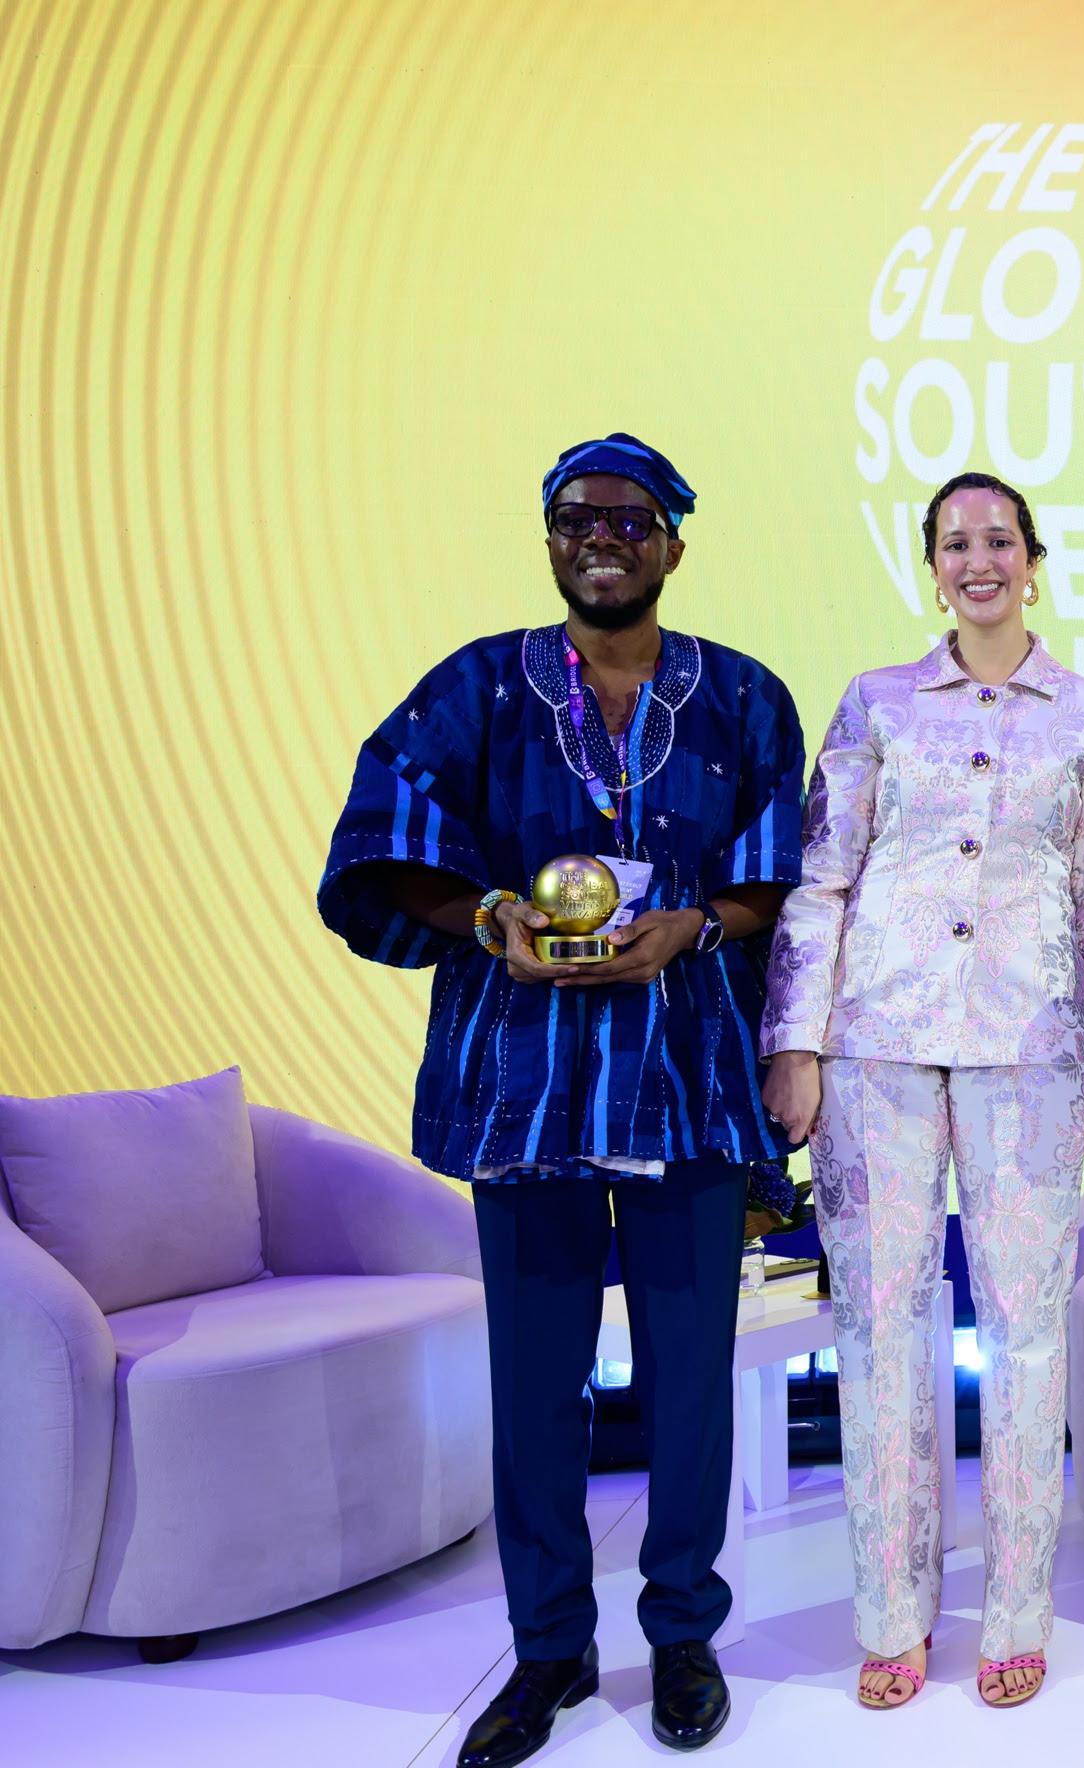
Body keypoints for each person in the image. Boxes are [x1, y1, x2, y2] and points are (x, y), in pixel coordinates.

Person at [317, 434, 803, 1763]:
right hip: (523, 1093)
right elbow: (382, 847)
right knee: (537, 1389)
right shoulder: (473, 688)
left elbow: (791, 875)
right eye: (579, 517)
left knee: (690, 1384)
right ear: (549, 540)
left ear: (673, 544)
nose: (603, 537)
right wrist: (488, 918)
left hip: (690, 1087)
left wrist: (697, 924)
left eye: (631, 519)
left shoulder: (744, 696)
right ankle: (548, 1652)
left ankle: (684, 1632)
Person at [758, 471, 1084, 1712]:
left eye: (1000, 539)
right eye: (956, 542)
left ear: (1034, 559)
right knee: (881, 1328)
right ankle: (892, 1612)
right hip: (873, 1041)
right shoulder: (876, 702)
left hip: (1032, 1044)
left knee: (1027, 1332)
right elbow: (822, 876)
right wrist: (794, 1040)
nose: (980, 560)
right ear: (932, 566)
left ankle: (1017, 1613)